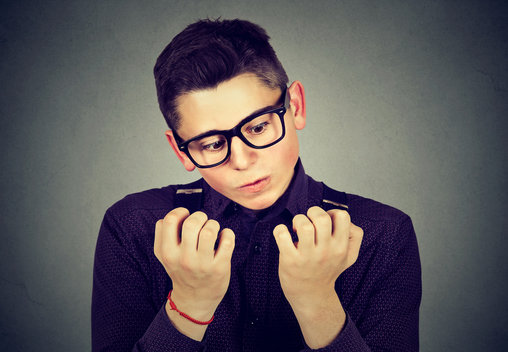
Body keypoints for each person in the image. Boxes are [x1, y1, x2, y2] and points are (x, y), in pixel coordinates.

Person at [91, 18, 421, 351]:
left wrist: (317, 302)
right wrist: (189, 305)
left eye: (258, 128)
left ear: (295, 107)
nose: (243, 160)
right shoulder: (133, 227)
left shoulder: (384, 235)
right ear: (181, 151)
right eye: (213, 144)